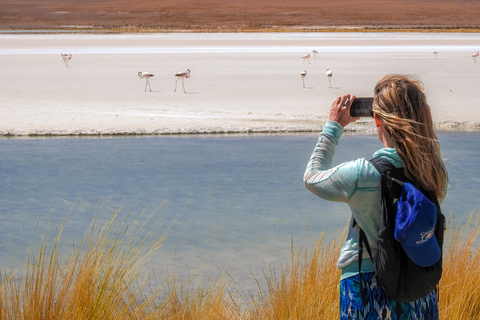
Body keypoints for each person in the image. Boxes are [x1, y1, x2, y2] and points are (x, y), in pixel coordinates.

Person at [303, 74, 448, 319]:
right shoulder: (433, 173)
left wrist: (333, 127)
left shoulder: (363, 174)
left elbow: (312, 178)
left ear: (377, 119)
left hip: (366, 284)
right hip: (419, 285)